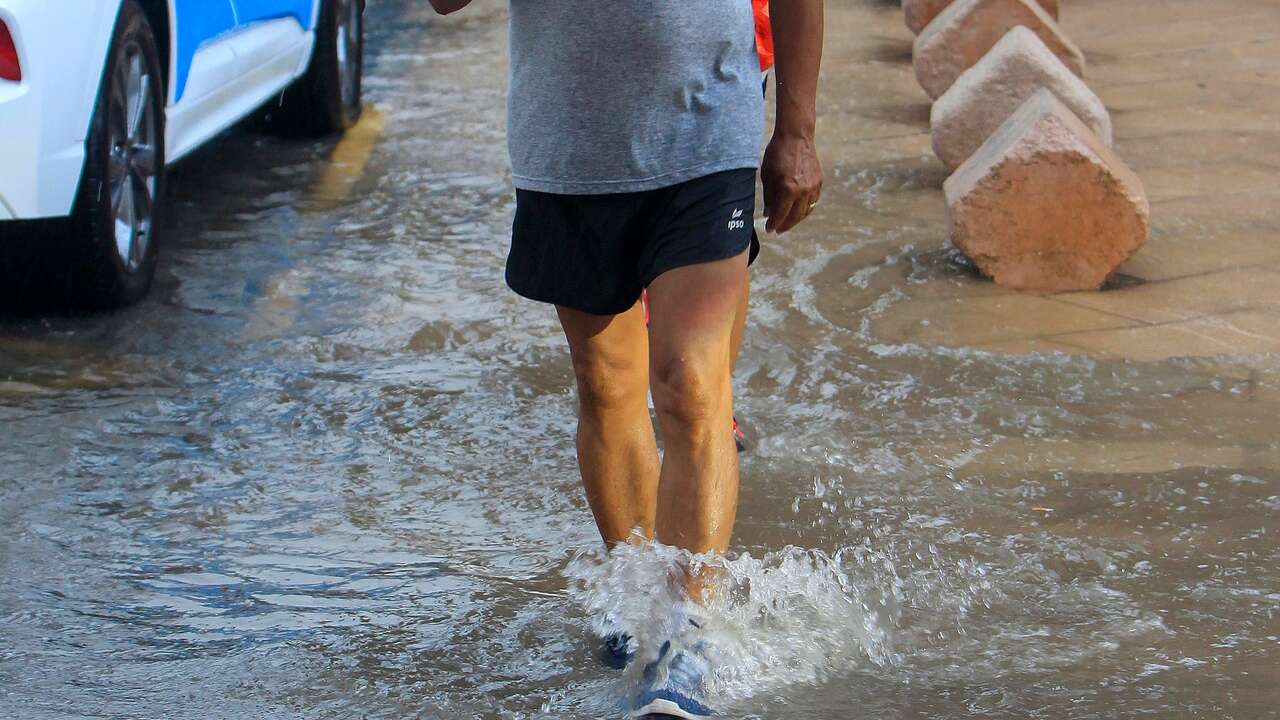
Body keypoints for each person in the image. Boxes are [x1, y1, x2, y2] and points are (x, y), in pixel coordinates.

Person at [428, 1, 823, 716]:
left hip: (709, 131)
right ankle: (638, 588)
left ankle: (688, 634)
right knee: (607, 382)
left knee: (688, 383)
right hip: (569, 145)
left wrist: (796, 129)